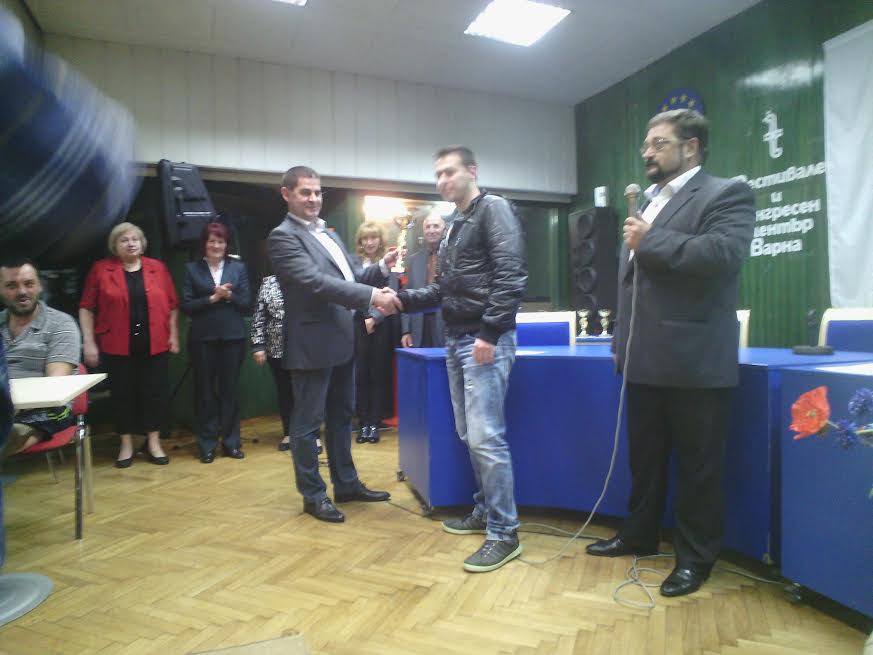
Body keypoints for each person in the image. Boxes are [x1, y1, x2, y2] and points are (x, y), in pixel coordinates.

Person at [585, 109, 755, 597]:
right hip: (642, 358)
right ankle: (638, 535)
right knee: (645, 458)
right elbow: (631, 284)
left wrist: (651, 239)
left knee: (699, 469)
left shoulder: (726, 193)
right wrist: (619, 341)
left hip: (694, 360)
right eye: (646, 144)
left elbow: (722, 255)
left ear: (691, 146)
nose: (647, 152)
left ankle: (695, 559)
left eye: (658, 143)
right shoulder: (650, 201)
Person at [397, 146, 527, 573]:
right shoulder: (454, 224)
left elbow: (511, 275)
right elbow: (443, 290)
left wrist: (490, 333)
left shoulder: (494, 210)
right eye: (437, 174)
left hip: (483, 340)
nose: (442, 181)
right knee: (470, 433)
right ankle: (485, 511)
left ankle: (505, 533)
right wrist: (400, 301)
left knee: (487, 437)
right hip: (456, 340)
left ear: (472, 170)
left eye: (449, 172)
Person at [267, 165, 398, 523]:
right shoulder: (283, 237)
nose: (313, 199)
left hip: (343, 339)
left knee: (342, 417)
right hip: (311, 344)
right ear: (287, 194)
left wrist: (380, 271)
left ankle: (347, 484)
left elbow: (351, 277)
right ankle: (313, 495)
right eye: (305, 192)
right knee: (307, 425)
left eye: (317, 192)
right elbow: (316, 282)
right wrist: (373, 296)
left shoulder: (328, 232)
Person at [80, 223, 179, 467]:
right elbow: (86, 308)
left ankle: (153, 442)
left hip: (155, 344)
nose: (131, 243)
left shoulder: (158, 268)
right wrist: (89, 342)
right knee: (122, 395)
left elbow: (173, 306)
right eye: (124, 240)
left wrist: (174, 335)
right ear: (115, 246)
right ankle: (126, 444)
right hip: (117, 346)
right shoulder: (101, 270)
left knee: (154, 394)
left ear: (142, 244)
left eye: (135, 239)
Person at [181, 222, 251, 463]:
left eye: (220, 241)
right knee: (205, 392)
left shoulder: (238, 268)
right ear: (204, 244)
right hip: (203, 339)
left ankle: (231, 443)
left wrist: (229, 295)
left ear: (226, 244)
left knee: (230, 391)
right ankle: (207, 445)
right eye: (212, 241)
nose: (216, 245)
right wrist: (212, 298)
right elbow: (186, 305)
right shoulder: (192, 269)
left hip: (233, 337)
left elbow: (246, 303)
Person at [0, 258, 81, 460]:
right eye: (11, 286)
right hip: (4, 409)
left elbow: (52, 388)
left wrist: (7, 409)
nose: (22, 292)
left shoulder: (61, 324)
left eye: (29, 284)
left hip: (43, 411)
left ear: (39, 286)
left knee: (8, 435)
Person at [352, 221, 400, 444]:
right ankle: (363, 422)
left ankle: (374, 422)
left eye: (373, 238)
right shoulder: (354, 262)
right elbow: (352, 290)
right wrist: (365, 318)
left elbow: (393, 293)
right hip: (358, 324)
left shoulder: (390, 262)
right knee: (361, 374)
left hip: (382, 324)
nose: (370, 242)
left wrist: (374, 318)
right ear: (360, 241)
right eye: (365, 238)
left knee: (378, 373)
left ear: (380, 240)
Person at [251, 274, 293, 451]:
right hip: (276, 347)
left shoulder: (305, 278)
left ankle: (312, 435)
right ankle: (289, 433)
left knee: (306, 391)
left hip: (304, 346)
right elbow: (259, 315)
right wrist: (258, 344)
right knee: (285, 391)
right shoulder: (268, 282)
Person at [400, 212, 446, 349]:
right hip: (419, 325)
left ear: (444, 230)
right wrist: (406, 331)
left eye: (436, 226)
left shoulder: (453, 257)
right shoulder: (413, 260)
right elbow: (406, 294)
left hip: (445, 325)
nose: (431, 230)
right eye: (428, 227)